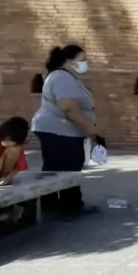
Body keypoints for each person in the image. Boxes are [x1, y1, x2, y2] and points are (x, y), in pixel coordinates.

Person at [31, 44, 100, 216]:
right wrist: (89, 126)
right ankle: (70, 206)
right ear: (68, 61)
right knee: (68, 168)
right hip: (60, 130)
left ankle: (52, 204)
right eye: (82, 59)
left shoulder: (67, 77)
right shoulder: (62, 78)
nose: (85, 63)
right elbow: (68, 107)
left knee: (55, 168)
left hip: (58, 129)